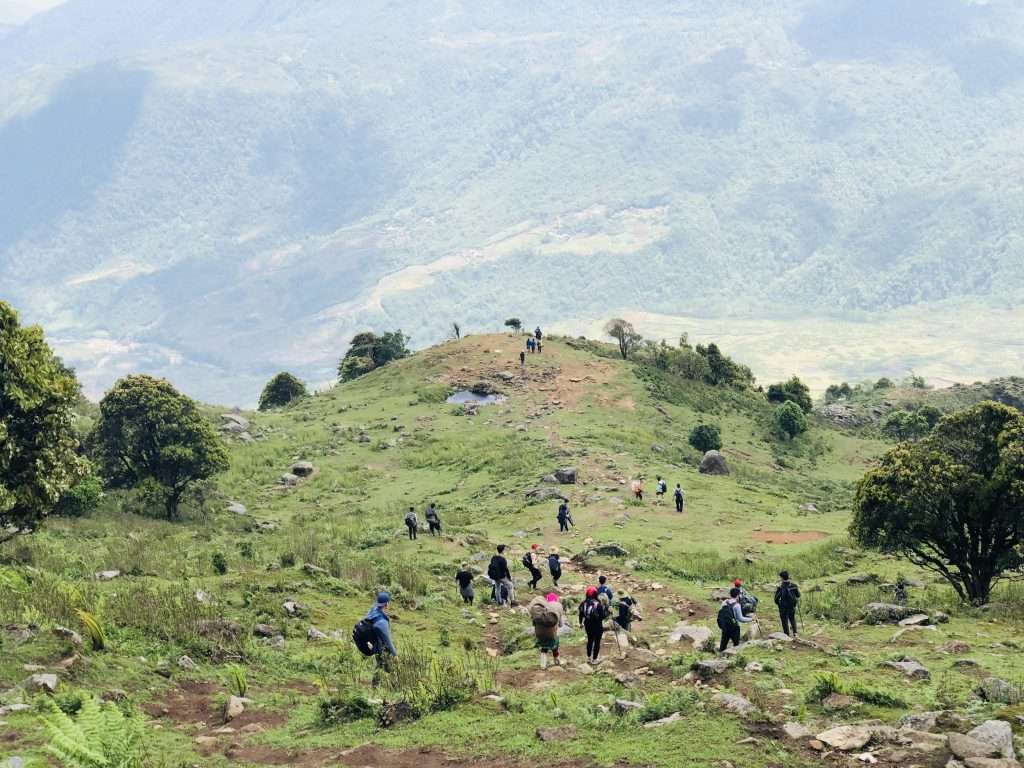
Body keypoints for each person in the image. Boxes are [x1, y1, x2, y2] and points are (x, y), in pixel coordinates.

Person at [530, 593, 564, 669]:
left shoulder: (542, 608)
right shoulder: (559, 606)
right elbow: (560, 624)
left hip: (540, 632)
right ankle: (557, 661)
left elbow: (534, 623)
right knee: (555, 645)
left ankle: (543, 665)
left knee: (544, 647)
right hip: (552, 632)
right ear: (556, 599)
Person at [579, 586, 609, 664]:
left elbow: (581, 614)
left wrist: (580, 623)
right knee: (597, 642)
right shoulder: (598, 604)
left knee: (590, 640)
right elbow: (602, 617)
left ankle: (589, 657)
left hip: (587, 625)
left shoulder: (583, 603)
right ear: (596, 594)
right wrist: (608, 612)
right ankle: (595, 659)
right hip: (597, 626)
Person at [717, 587, 753, 652]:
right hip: (734, 628)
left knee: (723, 645)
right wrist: (751, 619)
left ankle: (719, 656)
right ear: (738, 595)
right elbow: (740, 619)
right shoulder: (737, 605)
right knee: (736, 646)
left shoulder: (724, 602)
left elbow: (721, 612)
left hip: (725, 626)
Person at [365, 591, 397, 660]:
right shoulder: (382, 622)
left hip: (373, 644)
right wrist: (395, 655)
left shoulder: (372, 611)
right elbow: (388, 641)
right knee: (384, 666)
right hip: (380, 650)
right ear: (387, 604)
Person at [774, 570, 800, 638]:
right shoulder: (794, 585)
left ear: (782, 578)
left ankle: (786, 635)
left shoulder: (780, 587)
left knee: (784, 620)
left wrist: (779, 604)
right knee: (792, 618)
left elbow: (776, 599)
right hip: (792, 606)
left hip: (783, 607)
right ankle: (795, 633)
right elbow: (798, 595)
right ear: (788, 577)